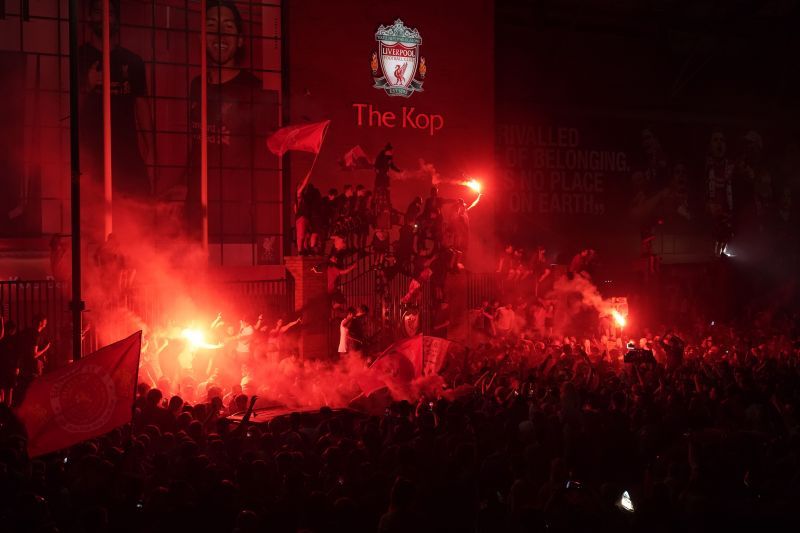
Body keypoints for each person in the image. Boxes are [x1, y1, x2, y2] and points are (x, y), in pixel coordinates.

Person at [186, 0, 278, 242]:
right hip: (196, 207)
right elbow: (196, 148)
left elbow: (265, 158)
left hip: (235, 212)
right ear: (202, 37)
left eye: (228, 26)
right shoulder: (197, 85)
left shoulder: (254, 90)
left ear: (239, 39)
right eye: (212, 25)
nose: (219, 32)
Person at [79, 0, 153, 202]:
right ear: (89, 17)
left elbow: (141, 104)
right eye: (97, 12)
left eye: (109, 14)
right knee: (93, 216)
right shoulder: (78, 57)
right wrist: (88, 85)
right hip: (90, 155)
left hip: (126, 154)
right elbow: (64, 109)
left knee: (137, 213)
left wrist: (151, 149)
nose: (103, 18)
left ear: (117, 20)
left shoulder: (133, 62)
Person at [14, 314, 50, 405]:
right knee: (33, 387)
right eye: (44, 321)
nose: (46, 323)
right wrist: (46, 348)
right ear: (41, 323)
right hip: (34, 366)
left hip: (24, 365)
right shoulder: (35, 335)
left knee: (25, 387)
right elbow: (34, 354)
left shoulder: (26, 332)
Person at [0, 318, 17, 405]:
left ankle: (3, 407)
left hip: (3, 367)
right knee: (9, 388)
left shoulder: (3, 340)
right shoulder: (13, 340)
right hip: (9, 368)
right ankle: (7, 407)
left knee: (2, 388)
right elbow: (15, 355)